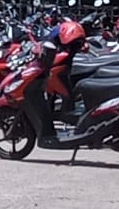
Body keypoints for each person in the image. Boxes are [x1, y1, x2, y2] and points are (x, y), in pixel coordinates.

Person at [23, 18, 87, 148]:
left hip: (62, 69)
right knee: (65, 90)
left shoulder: (67, 45)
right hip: (62, 68)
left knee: (66, 92)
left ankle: (67, 113)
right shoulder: (62, 38)